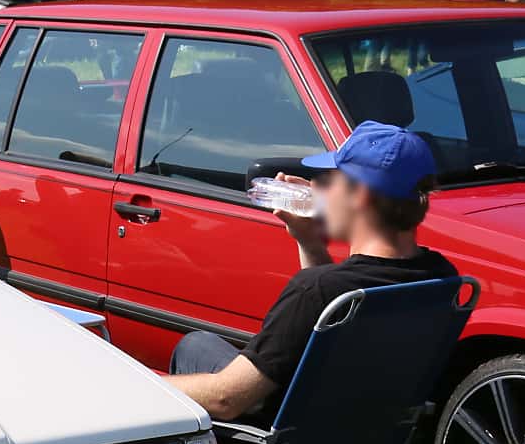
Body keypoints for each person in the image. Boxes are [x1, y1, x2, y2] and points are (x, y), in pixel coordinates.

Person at [168, 122, 456, 422]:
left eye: (329, 181)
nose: (318, 189)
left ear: (359, 196)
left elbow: (226, 399)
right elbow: (336, 308)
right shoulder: (440, 277)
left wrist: (135, 384)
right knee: (198, 344)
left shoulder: (314, 290)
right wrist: (307, 238)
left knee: (185, 357)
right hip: (350, 441)